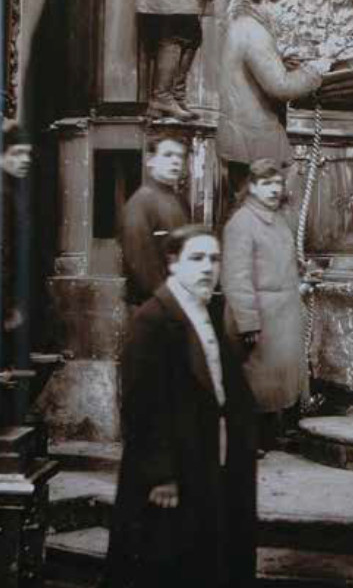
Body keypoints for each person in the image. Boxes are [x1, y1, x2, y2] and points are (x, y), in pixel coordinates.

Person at [103, 226, 257, 588]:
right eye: (197, 258)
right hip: (169, 472)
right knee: (163, 563)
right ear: (173, 263)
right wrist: (161, 475)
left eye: (214, 259)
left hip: (203, 456)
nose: (207, 268)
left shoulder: (204, 310)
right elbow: (140, 404)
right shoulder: (154, 319)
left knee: (201, 557)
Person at [215, 0, 323, 207]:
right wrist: (315, 71)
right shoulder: (255, 32)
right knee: (256, 210)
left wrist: (280, 62)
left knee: (247, 207)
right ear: (265, 0)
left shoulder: (243, 25)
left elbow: (248, 73)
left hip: (242, 137)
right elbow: (280, 87)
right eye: (284, 7)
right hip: (253, 139)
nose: (287, 14)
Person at [222, 159, 305, 453]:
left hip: (283, 313)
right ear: (253, 187)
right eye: (266, 184)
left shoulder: (278, 220)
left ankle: (272, 434)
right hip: (260, 312)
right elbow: (236, 276)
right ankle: (250, 440)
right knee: (256, 379)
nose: (273, 189)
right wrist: (247, 321)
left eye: (277, 183)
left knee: (278, 379)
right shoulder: (242, 223)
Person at [120, 133, 190, 308]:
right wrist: (166, 300)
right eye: (168, 155)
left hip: (177, 299)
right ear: (150, 160)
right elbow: (140, 263)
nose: (175, 161)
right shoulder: (141, 202)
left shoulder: (180, 200)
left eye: (180, 156)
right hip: (152, 305)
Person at [1, 124, 33, 407]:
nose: (25, 159)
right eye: (17, 153)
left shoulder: (12, 189)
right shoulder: (4, 193)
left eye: (28, 153)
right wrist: (8, 306)